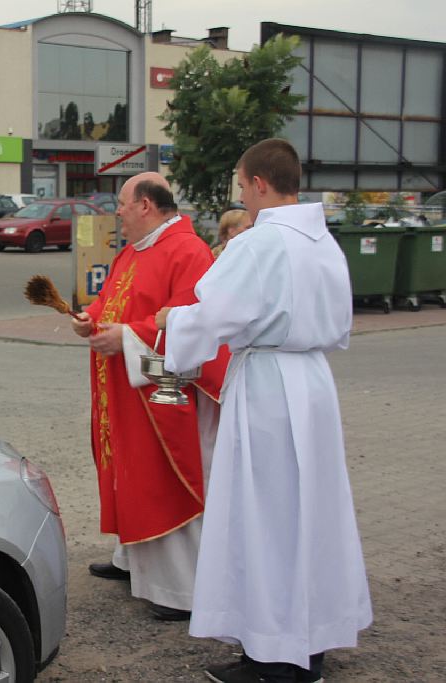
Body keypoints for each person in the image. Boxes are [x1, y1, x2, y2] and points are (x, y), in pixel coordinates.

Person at [156, 139, 372, 683]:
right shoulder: (324, 242)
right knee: (311, 517)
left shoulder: (258, 243)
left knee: (267, 517)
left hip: (269, 387)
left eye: (240, 184)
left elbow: (211, 313)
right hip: (313, 382)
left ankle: (274, 659)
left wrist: (170, 324)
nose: (241, 196)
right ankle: (308, 647)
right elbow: (342, 322)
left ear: (258, 183)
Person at [70, 172, 227, 621]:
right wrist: (90, 318)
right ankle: (132, 560)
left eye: (121, 203)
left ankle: (180, 590)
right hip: (126, 387)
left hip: (163, 390)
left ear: (145, 205)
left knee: (163, 475)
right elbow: (110, 302)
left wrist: (127, 339)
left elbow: (191, 325)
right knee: (129, 470)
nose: (116, 212)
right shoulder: (132, 252)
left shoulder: (188, 251)